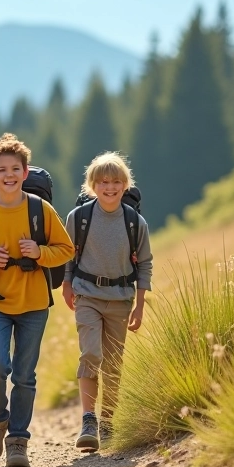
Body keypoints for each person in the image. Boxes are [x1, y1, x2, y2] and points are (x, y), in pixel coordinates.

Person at [0, 133, 75, 467]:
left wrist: (40, 252)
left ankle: (18, 440)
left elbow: (66, 250)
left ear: (25, 172)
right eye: (1, 169)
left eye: (15, 168)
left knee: (24, 375)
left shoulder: (41, 209)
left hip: (34, 303)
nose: (9, 174)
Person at [61, 151, 152, 451]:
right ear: (92, 186)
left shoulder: (134, 222)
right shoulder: (80, 217)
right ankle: (89, 419)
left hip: (121, 299)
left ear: (125, 185)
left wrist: (139, 305)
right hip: (87, 294)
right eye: (103, 182)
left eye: (115, 181)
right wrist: (66, 285)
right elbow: (68, 254)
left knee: (114, 363)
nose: (109, 187)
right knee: (91, 353)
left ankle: (108, 421)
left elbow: (144, 265)